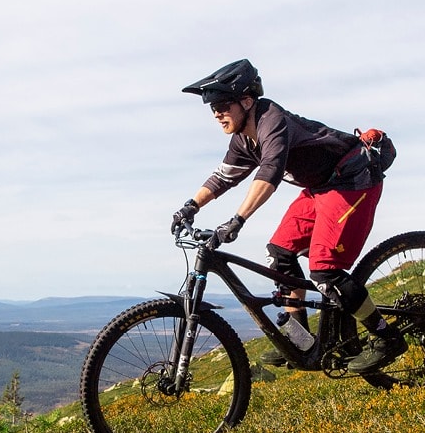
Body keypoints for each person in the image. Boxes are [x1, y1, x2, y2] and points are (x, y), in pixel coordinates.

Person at [172, 59, 404, 372]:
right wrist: (191, 205)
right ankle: (300, 337)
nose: (216, 114)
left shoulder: (271, 120)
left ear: (246, 101)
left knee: (325, 271)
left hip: (351, 182)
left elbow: (269, 172)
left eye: (223, 105)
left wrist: (238, 219)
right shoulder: (243, 138)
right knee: (280, 253)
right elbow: (223, 177)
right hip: (320, 187)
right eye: (212, 108)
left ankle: (385, 336)